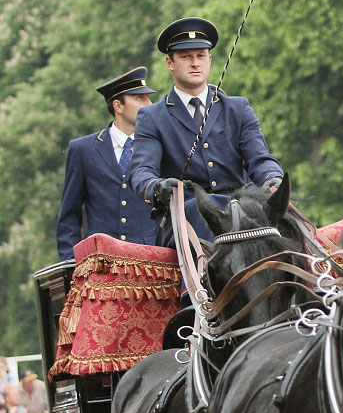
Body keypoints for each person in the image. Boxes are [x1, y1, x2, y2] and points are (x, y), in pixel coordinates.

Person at [130, 17, 283, 247]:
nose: (195, 63)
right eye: (185, 57)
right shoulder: (152, 117)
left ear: (209, 59)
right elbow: (141, 172)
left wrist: (274, 179)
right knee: (200, 214)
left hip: (240, 213)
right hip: (186, 219)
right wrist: (157, 187)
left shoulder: (237, 108)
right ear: (170, 63)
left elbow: (260, 159)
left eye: (201, 56)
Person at [56, 66, 159, 260]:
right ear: (118, 106)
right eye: (139, 98)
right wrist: (70, 263)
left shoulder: (158, 145)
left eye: (148, 97)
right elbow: (69, 214)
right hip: (98, 262)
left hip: (151, 260)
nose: (149, 104)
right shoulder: (82, 149)